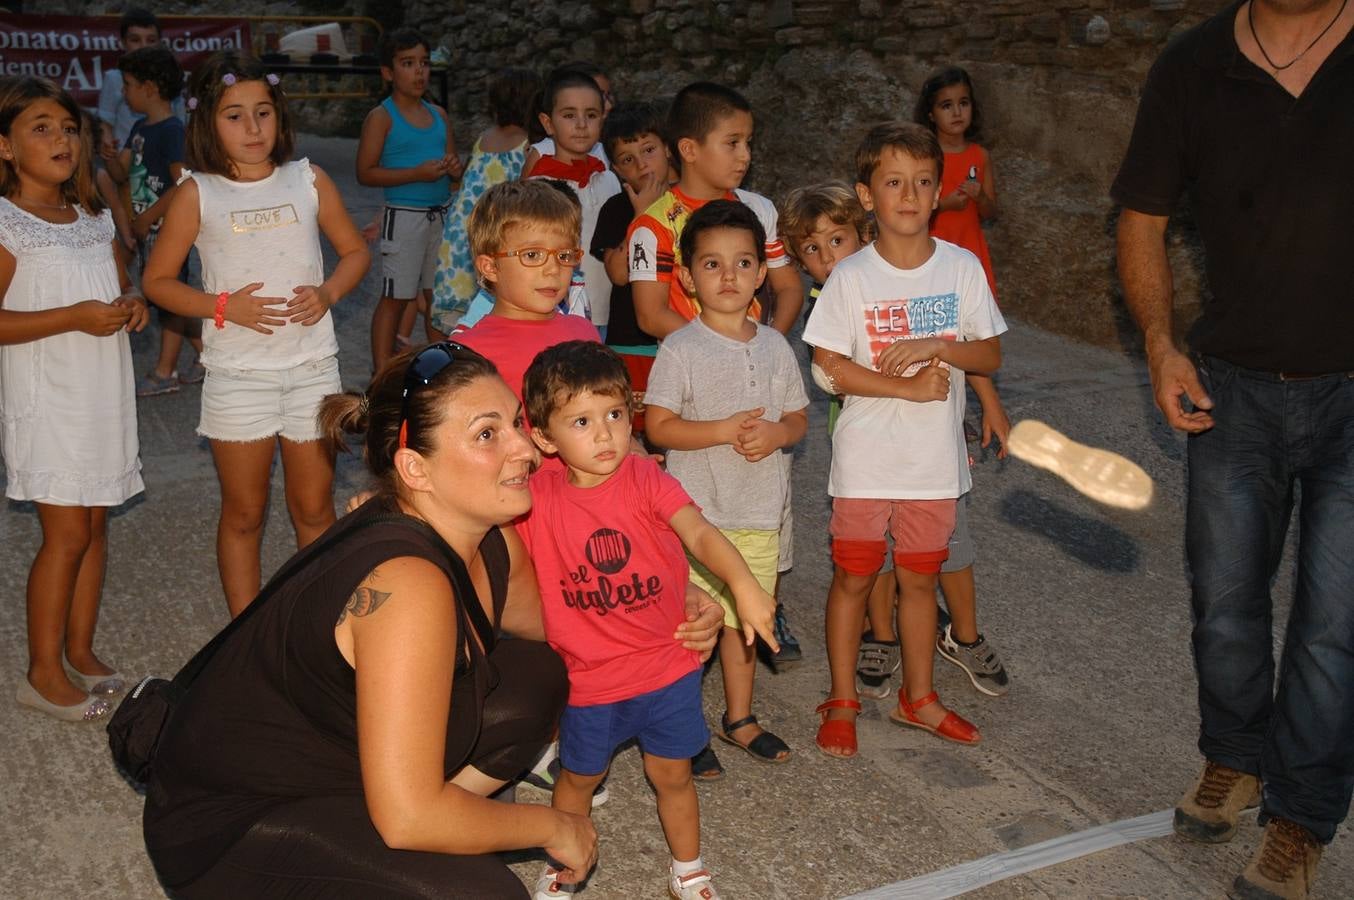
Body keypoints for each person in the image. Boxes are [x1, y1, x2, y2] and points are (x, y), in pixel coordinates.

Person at [143, 344, 585, 898]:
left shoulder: (496, 544)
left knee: (535, 677)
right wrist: (556, 824)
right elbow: (409, 819)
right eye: (487, 434)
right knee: (484, 894)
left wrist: (670, 607)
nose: (527, 448)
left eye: (516, 422)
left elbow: (567, 635)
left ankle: (425, 813)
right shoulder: (406, 586)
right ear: (415, 469)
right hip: (232, 827)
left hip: (337, 771)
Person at [1113, 2, 1354, 897]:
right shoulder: (1194, 62)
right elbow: (1140, 215)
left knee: (1336, 627)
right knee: (1224, 604)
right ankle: (1235, 757)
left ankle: (1299, 818)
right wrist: (1161, 344)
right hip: (1232, 390)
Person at [518, 339, 780, 900]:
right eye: (581, 421)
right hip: (589, 680)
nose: (605, 433)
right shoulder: (534, 500)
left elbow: (702, 534)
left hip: (668, 668)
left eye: (614, 414)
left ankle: (688, 868)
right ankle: (563, 865)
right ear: (544, 437)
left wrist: (744, 585)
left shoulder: (646, 480)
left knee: (674, 776)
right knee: (578, 781)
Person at [803, 122, 1005, 756]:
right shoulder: (851, 277)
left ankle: (921, 698)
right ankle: (842, 698)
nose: (910, 195)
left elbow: (990, 354)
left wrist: (938, 347)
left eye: (922, 182)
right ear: (868, 197)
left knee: (920, 582)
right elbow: (826, 366)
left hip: (933, 465)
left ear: (939, 190)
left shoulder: (961, 267)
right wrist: (907, 389)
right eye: (894, 183)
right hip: (866, 462)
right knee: (855, 581)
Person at [143, 51, 370, 616]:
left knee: (314, 509)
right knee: (243, 514)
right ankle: (244, 634)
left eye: (263, 113)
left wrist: (329, 293)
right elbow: (158, 281)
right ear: (206, 123)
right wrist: (222, 307)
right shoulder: (198, 193)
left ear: (280, 117)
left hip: (313, 370)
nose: (252, 128)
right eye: (234, 115)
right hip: (238, 377)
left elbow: (354, 251)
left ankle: (315, 621)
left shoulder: (308, 180)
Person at [0, 77, 149, 721]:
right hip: (47, 399)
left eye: (67, 127)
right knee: (64, 535)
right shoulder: (8, 224)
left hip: (99, 394)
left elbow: (117, 286)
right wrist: (73, 317)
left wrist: (132, 306)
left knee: (94, 525)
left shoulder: (90, 218)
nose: (61, 139)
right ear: (5, 147)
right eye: (40, 128)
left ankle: (79, 650)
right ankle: (39, 673)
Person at [645, 201, 808, 778]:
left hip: (759, 513)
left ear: (761, 273)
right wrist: (718, 431)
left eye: (742, 263)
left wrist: (776, 433)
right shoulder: (680, 349)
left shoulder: (776, 346)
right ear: (687, 278)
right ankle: (684, 730)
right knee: (694, 630)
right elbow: (656, 426)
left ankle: (739, 719)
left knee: (745, 624)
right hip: (695, 516)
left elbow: (798, 419)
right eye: (712, 265)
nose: (729, 277)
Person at [627, 82, 802, 341]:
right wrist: (718, 349)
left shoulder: (759, 208)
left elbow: (788, 287)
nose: (745, 156)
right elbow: (650, 315)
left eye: (748, 143)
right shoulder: (654, 225)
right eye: (732, 143)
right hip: (691, 369)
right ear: (689, 149)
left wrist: (769, 342)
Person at [357, 28, 461, 373]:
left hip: (440, 216)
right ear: (388, 72)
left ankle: (441, 373)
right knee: (396, 297)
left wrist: (454, 169)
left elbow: (452, 171)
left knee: (437, 298)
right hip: (403, 216)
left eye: (425, 63)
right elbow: (366, 172)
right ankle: (381, 375)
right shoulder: (382, 117)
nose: (419, 72)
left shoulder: (439, 115)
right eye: (408, 63)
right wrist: (417, 173)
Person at [105, 44, 203, 395]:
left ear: (149, 88)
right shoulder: (138, 127)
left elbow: (185, 182)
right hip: (149, 230)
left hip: (169, 231)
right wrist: (110, 156)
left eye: (128, 84)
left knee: (169, 299)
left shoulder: (173, 130)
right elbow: (122, 171)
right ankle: (209, 355)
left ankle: (166, 372)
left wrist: (148, 216)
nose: (124, 92)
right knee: (163, 296)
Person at [450, 180, 601, 404]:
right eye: (532, 255)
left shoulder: (585, 332)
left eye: (564, 255)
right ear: (490, 267)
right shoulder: (471, 354)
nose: (553, 269)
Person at [429, 67, 538, 336]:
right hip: (492, 233)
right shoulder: (528, 145)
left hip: (460, 234)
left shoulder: (484, 138)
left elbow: (465, 179)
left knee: (456, 305)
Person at [588, 100, 674, 434]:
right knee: (633, 431)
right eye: (628, 159)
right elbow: (619, 274)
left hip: (678, 333)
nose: (642, 165)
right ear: (616, 169)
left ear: (668, 148)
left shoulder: (689, 200)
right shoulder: (616, 209)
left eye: (649, 150)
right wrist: (643, 217)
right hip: (630, 342)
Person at [523, 68, 621, 335]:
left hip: (607, 307)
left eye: (590, 115)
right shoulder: (537, 188)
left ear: (602, 119)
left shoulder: (610, 179)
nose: (581, 124)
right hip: (558, 313)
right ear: (548, 123)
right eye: (569, 115)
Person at [97, 8, 183, 148]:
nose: (143, 46)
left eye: (151, 40)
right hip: (125, 160)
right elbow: (105, 123)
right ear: (123, 42)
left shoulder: (169, 77)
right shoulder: (114, 78)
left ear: (160, 42)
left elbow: (180, 121)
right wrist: (108, 150)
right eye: (135, 40)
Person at [524, 59, 613, 170]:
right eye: (569, 115)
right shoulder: (542, 154)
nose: (609, 106)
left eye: (608, 96)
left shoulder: (603, 150)